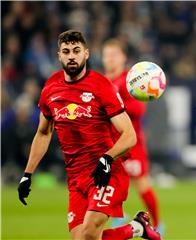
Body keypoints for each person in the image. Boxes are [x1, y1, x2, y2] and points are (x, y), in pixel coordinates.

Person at [17, 30, 161, 240]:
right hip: (75, 178)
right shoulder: (50, 89)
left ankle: (151, 224)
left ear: (86, 53)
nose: (71, 56)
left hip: (105, 173)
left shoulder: (102, 86)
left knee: (90, 232)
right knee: (83, 239)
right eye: (66, 51)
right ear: (59, 55)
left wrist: (107, 158)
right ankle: (137, 228)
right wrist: (27, 174)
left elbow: (129, 135)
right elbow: (43, 133)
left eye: (76, 51)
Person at [101, 39, 162, 231]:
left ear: (123, 57)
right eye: (107, 55)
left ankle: (158, 225)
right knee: (105, 184)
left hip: (130, 143)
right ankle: (119, 217)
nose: (110, 59)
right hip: (107, 144)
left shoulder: (131, 80)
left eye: (114, 55)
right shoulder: (102, 82)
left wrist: (113, 105)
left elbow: (139, 108)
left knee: (141, 183)